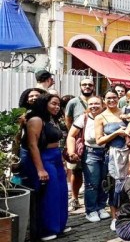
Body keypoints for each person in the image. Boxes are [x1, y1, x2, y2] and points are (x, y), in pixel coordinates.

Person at [20, 93, 69, 241]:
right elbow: (32, 145)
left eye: (58, 104)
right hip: (43, 158)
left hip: (55, 157)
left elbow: (57, 143)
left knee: (61, 192)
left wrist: (62, 161)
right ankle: (46, 229)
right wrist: (40, 169)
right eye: (53, 103)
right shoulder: (36, 120)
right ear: (44, 103)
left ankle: (58, 225)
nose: (57, 107)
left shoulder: (51, 120)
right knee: (49, 194)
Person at [66, 95, 110, 223]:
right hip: (91, 152)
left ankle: (101, 207)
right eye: (91, 104)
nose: (94, 106)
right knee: (92, 183)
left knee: (104, 181)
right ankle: (91, 210)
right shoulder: (84, 118)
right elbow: (71, 135)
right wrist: (71, 151)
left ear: (103, 105)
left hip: (107, 152)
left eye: (97, 103)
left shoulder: (108, 116)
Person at [95, 89, 129, 231]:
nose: (111, 100)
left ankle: (127, 214)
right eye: (108, 98)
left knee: (128, 185)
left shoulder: (126, 112)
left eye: (114, 97)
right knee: (113, 186)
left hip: (128, 153)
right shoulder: (100, 117)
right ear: (104, 100)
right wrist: (116, 133)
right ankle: (115, 217)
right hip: (112, 154)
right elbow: (99, 140)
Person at [64, 77, 95, 212]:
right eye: (84, 84)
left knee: (93, 172)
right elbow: (68, 120)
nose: (87, 86)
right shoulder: (73, 102)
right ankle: (75, 198)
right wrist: (75, 135)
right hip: (77, 141)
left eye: (89, 84)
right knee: (76, 170)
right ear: (80, 86)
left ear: (93, 86)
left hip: (94, 142)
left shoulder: (97, 101)